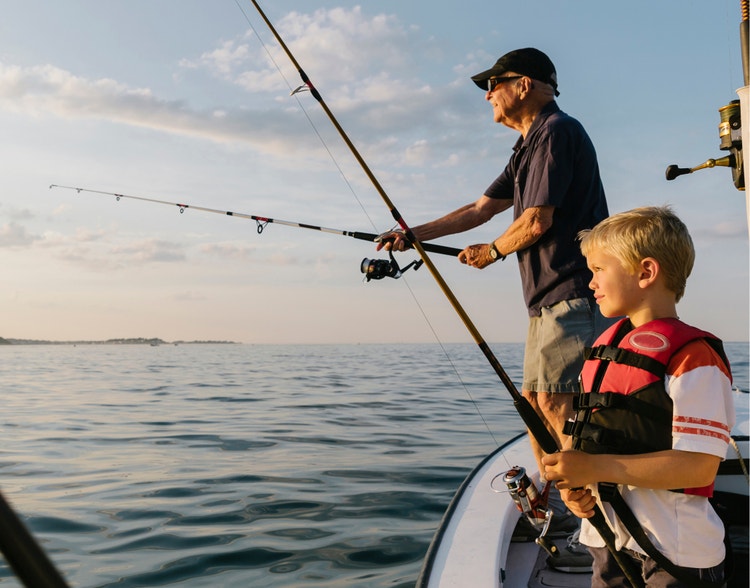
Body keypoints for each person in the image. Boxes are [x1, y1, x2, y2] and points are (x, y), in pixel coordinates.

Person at [377, 48, 613, 513]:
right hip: (548, 300)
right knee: (536, 401)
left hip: (572, 293)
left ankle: (591, 509)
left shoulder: (556, 132)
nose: (487, 95)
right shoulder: (528, 146)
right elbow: (480, 209)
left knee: (554, 402)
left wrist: (492, 251)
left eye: (494, 84)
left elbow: (536, 221)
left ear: (523, 85)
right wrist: (412, 235)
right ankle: (559, 497)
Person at [542, 206, 735, 586]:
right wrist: (580, 491)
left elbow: (699, 467)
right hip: (606, 542)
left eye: (599, 269)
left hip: (676, 555)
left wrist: (594, 469)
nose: (590, 281)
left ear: (646, 272)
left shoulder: (694, 358)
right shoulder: (602, 350)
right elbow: (591, 443)